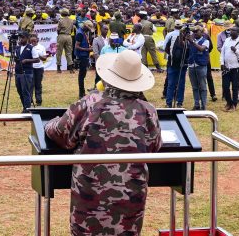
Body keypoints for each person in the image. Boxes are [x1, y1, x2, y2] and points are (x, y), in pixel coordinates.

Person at [44, 49, 161, 236]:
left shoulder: (90, 103)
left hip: (90, 196)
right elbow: (154, 145)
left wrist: (49, 124)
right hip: (131, 196)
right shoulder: (148, 110)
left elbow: (61, 134)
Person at [219, 26, 239, 112]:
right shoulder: (227, 40)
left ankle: (234, 105)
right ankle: (229, 103)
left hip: (236, 68)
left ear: (237, 32)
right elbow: (222, 52)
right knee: (225, 86)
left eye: (233, 31)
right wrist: (222, 63)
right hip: (226, 67)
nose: (231, 32)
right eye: (230, 30)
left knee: (235, 87)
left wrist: (236, 51)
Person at [164, 23, 190, 108]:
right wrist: (173, 56)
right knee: (171, 83)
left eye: (185, 32)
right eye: (182, 32)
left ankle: (179, 102)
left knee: (181, 84)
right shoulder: (173, 38)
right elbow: (167, 49)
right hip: (172, 64)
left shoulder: (188, 41)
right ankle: (169, 103)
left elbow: (190, 53)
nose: (183, 34)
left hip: (182, 66)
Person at [188, 27, 211, 110]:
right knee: (194, 87)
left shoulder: (206, 41)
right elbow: (183, 46)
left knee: (202, 86)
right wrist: (182, 35)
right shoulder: (190, 40)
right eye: (193, 32)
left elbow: (201, 49)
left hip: (201, 65)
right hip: (191, 65)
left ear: (201, 32)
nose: (194, 33)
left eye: (196, 31)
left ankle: (203, 105)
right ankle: (196, 104)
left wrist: (192, 42)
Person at [14, 33, 37, 112]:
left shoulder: (31, 48)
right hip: (18, 72)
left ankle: (27, 109)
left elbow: (37, 59)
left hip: (27, 72)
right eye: (20, 38)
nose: (21, 39)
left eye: (23, 38)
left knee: (25, 91)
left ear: (27, 38)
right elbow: (15, 58)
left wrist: (27, 60)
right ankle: (24, 106)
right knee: (19, 90)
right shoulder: (17, 48)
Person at [74, 21, 93, 97]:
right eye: (88, 28)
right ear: (85, 26)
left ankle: (82, 92)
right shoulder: (80, 33)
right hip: (82, 56)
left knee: (83, 75)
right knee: (81, 75)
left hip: (84, 55)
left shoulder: (83, 32)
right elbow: (76, 46)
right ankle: (81, 93)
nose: (89, 30)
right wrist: (87, 49)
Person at [29, 33, 48, 106]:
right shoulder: (29, 47)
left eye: (34, 40)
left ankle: (39, 101)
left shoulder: (41, 47)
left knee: (38, 84)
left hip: (39, 68)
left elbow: (44, 58)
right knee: (30, 85)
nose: (33, 42)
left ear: (37, 39)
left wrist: (37, 55)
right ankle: (30, 100)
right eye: (32, 40)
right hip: (31, 68)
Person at [56, 8, 74, 74]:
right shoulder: (71, 20)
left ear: (62, 14)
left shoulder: (60, 20)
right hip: (69, 36)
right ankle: (71, 68)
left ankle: (58, 68)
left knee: (59, 52)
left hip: (61, 35)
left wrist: (60, 34)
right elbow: (72, 30)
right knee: (69, 52)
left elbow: (58, 30)